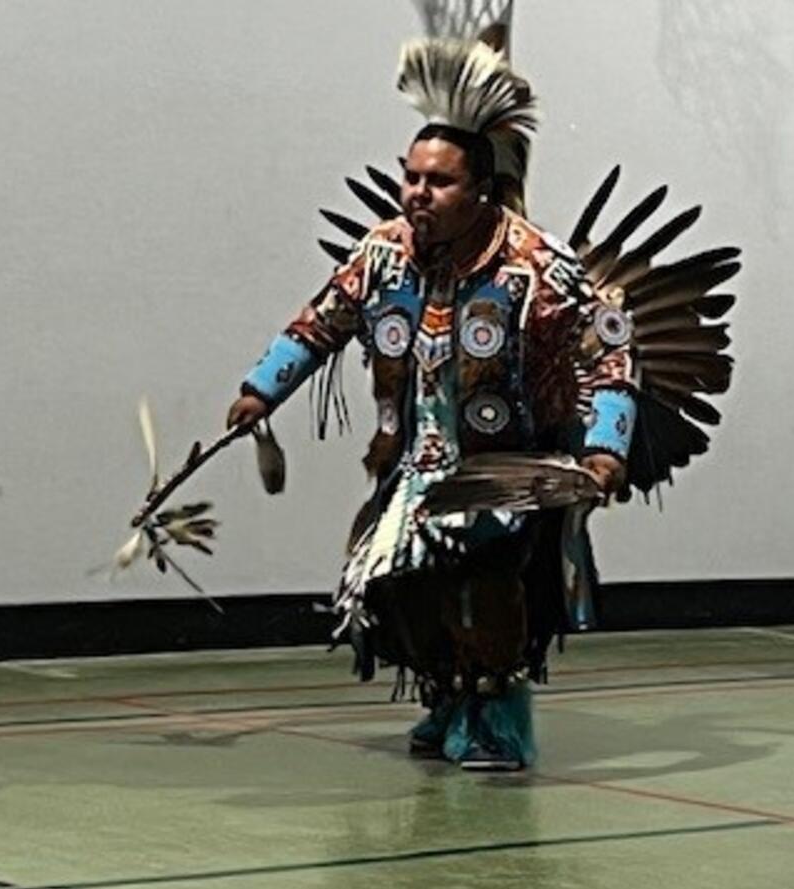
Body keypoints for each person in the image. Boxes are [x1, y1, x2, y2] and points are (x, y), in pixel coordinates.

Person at [225, 38, 637, 771]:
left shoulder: (535, 265)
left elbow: (608, 347)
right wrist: (262, 390)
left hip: (504, 468)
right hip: (413, 465)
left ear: (480, 188)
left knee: (484, 589)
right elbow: (319, 322)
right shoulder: (383, 253)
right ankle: (447, 697)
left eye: (437, 182)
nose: (417, 193)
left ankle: (495, 718)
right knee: (409, 594)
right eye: (409, 178)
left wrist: (604, 446)